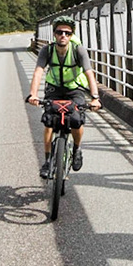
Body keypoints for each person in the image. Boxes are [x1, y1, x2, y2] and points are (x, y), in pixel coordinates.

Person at [25, 17, 101, 179]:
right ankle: (47, 161)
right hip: (54, 88)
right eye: (60, 32)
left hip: (75, 89)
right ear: (54, 34)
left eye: (67, 33)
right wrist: (33, 94)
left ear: (71, 35)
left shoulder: (78, 50)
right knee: (49, 121)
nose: (63, 36)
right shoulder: (47, 50)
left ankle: (77, 149)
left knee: (76, 119)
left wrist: (95, 97)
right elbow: (38, 72)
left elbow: (89, 73)